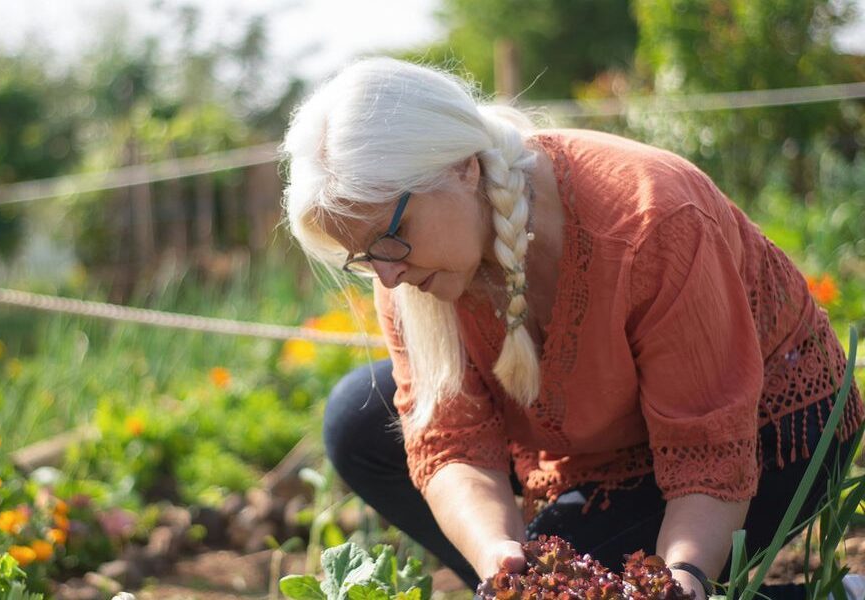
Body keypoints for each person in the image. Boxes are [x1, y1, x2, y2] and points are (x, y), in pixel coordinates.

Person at [280, 57, 864, 599]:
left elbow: (707, 443)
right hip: (607, 442)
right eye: (362, 255)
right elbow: (453, 441)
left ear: (460, 167)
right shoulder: (403, 265)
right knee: (358, 416)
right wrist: (500, 558)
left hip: (769, 433)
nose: (385, 272)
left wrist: (680, 577)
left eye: (388, 237)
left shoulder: (652, 218)